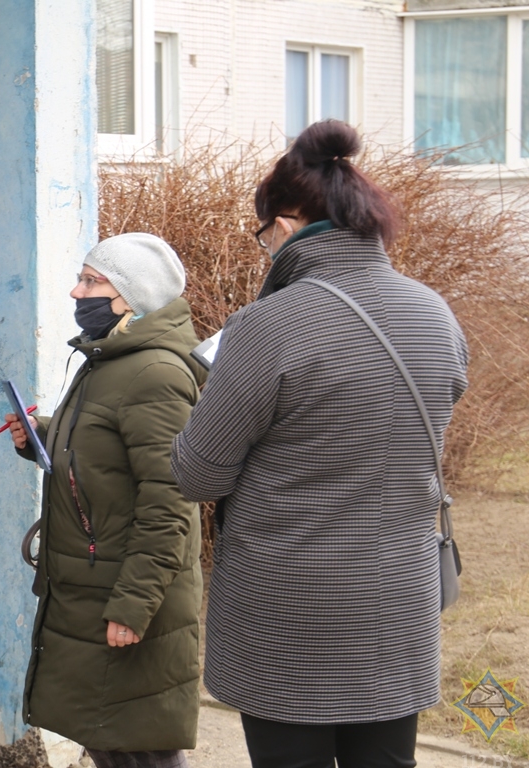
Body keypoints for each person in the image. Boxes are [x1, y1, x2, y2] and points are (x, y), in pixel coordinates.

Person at [170, 120, 469, 768]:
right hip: (399, 611)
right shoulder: (435, 314)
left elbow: (198, 475)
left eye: (261, 235)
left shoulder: (264, 326)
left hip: (289, 621)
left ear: (284, 224)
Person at [7, 233, 204, 768]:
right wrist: (41, 436)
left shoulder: (153, 374)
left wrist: (133, 607)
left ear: (132, 300)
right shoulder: (110, 362)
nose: (76, 292)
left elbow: (172, 503)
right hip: (90, 591)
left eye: (93, 282)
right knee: (114, 747)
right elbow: (104, 454)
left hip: (123, 598)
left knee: (138, 752)